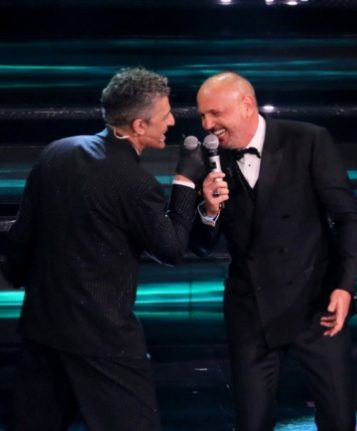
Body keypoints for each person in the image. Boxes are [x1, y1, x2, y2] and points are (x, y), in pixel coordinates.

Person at [0, 67, 208, 430]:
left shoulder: (56, 153)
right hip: (103, 337)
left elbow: (20, 236)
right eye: (165, 116)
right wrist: (186, 181)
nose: (172, 121)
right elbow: (172, 249)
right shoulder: (136, 184)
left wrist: (20, 279)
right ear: (139, 127)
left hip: (43, 328)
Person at [190, 71, 357, 430]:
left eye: (215, 114)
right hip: (250, 309)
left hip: (316, 305)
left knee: (338, 418)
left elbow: (348, 219)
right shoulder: (206, 160)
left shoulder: (308, 140)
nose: (208, 125)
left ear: (247, 105)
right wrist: (208, 211)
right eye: (203, 116)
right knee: (252, 421)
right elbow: (200, 245)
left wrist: (345, 286)